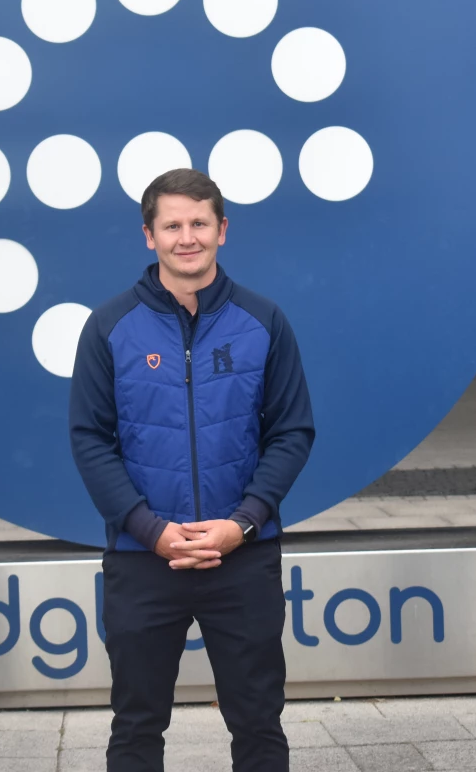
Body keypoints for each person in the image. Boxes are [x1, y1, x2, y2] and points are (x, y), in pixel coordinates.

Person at [69, 168, 316, 772]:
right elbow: (90, 440)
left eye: (199, 223)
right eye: (172, 225)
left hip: (243, 556)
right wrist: (150, 530)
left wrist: (244, 524)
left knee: (259, 722)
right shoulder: (108, 327)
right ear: (148, 236)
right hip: (143, 558)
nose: (187, 237)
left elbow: (291, 432)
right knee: (136, 727)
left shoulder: (263, 321)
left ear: (223, 230)